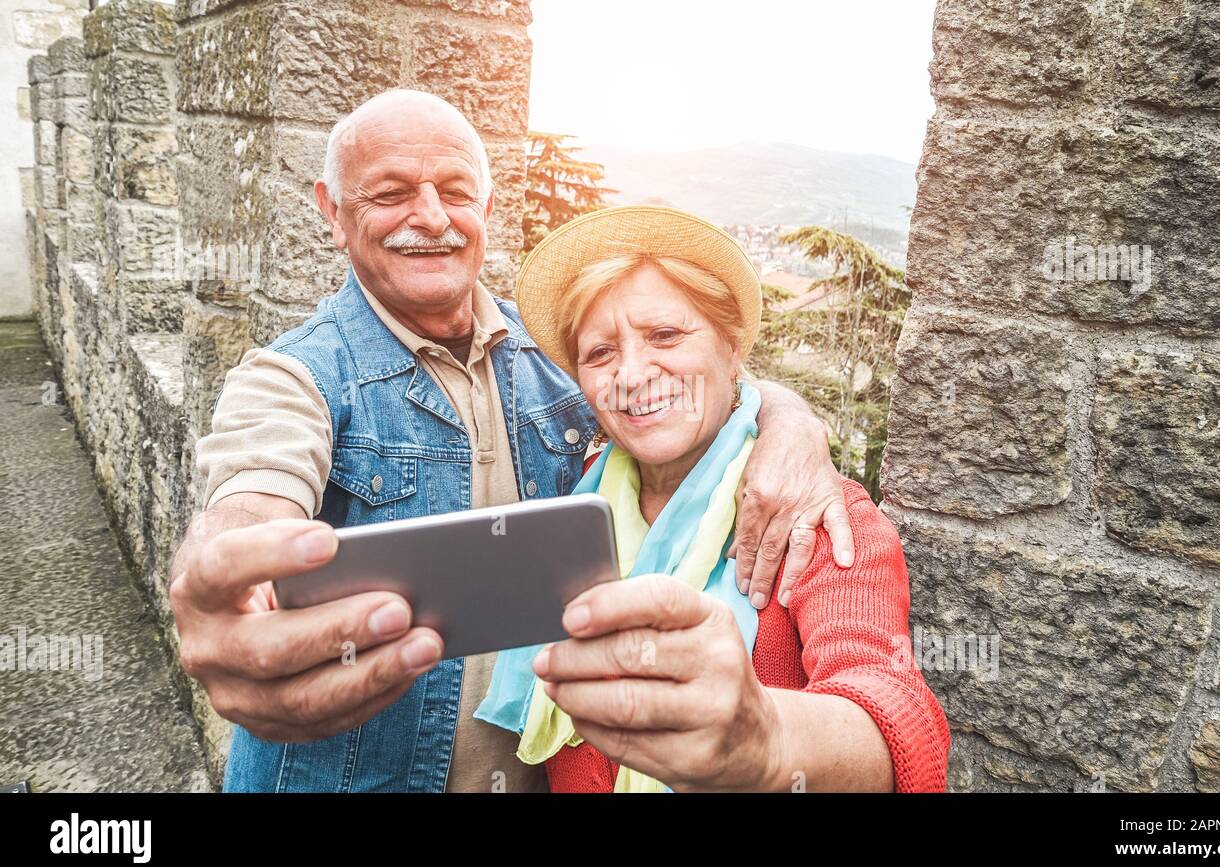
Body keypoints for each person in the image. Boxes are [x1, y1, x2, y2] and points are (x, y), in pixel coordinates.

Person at [167, 90, 863, 792]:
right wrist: (233, 577)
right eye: (391, 192)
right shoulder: (293, 377)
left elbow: (682, 385)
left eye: (457, 191)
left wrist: (788, 416)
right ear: (332, 212)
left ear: (489, 210)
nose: (432, 216)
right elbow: (254, 491)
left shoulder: (560, 357)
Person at [476, 205, 950, 791]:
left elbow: (901, 717)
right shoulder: (572, 504)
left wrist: (768, 741)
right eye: (600, 354)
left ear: (732, 348)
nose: (631, 373)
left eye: (665, 335)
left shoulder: (813, 515)